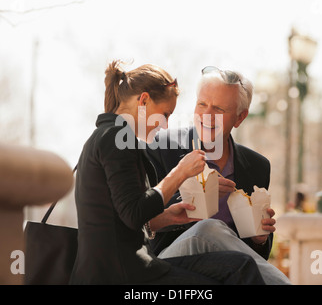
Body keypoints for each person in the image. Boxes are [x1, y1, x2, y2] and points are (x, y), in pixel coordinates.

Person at [69, 60, 265, 284]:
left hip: (125, 268)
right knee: (232, 273)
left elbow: (122, 218)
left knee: (239, 266)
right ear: (143, 100)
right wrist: (180, 173)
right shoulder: (116, 139)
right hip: (121, 274)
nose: (164, 125)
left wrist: (168, 217)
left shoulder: (112, 137)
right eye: (165, 114)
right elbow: (133, 213)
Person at [145, 66, 291, 284]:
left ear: (240, 117)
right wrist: (195, 197)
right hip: (168, 263)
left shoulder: (257, 166)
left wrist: (260, 238)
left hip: (226, 270)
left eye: (219, 109)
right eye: (202, 104)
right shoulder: (160, 147)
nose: (207, 115)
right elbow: (138, 218)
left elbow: (251, 257)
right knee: (209, 227)